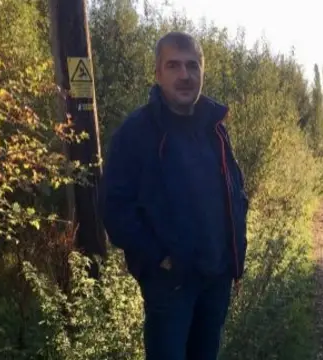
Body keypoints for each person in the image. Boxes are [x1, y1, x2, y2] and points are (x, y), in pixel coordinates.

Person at [100, 31, 249, 360]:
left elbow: (235, 191)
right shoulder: (136, 132)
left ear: (202, 71)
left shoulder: (215, 129)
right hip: (170, 285)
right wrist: (160, 258)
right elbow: (115, 210)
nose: (185, 75)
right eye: (174, 65)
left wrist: (233, 254)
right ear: (157, 73)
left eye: (192, 65)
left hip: (216, 279)